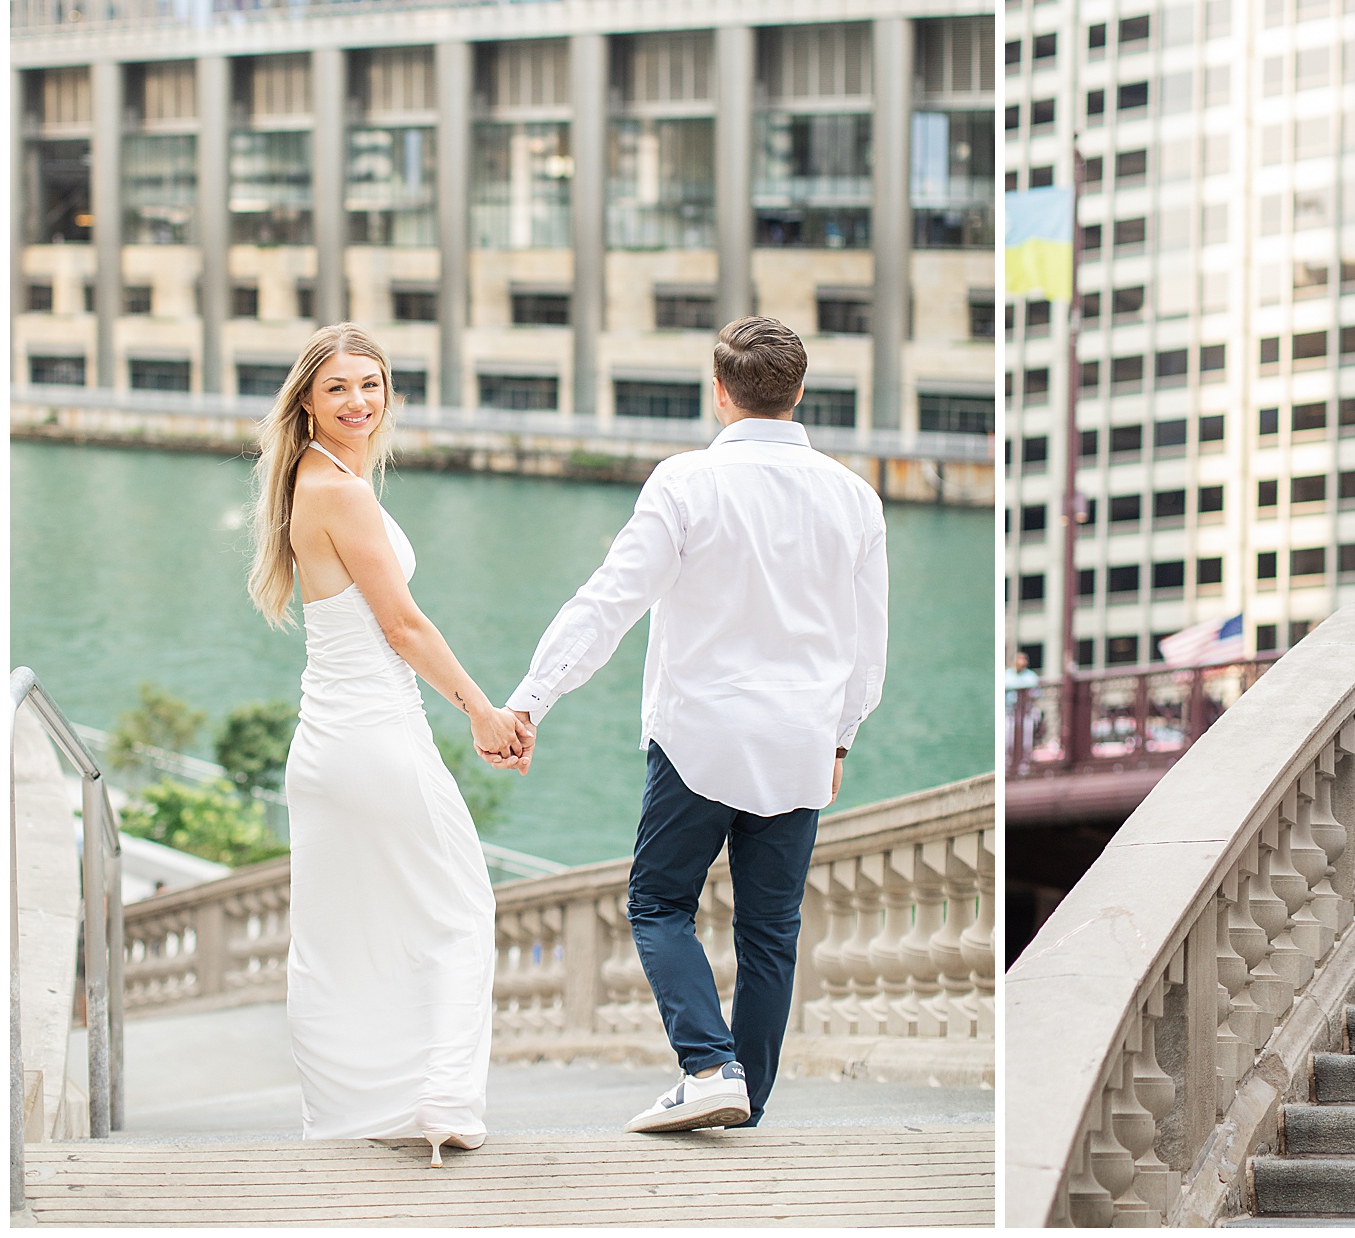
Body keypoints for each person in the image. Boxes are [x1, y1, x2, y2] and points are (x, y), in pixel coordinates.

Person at [503, 317, 889, 1133]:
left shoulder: (685, 484)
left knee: (657, 903)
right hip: (798, 745)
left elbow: (608, 603)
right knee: (770, 933)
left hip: (698, 739)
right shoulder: (854, 497)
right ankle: (743, 1101)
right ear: (800, 392)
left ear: (720, 392)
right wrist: (843, 736)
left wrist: (531, 699)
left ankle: (710, 1066)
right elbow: (867, 643)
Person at [247, 324, 530, 1167]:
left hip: (333, 746)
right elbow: (402, 626)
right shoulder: (340, 491)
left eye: (372, 385)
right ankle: (440, 1099)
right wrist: (482, 710)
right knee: (459, 907)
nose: (360, 401)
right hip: (373, 737)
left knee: (349, 935)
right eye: (339, 388)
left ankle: (356, 1110)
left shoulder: (313, 478)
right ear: (307, 400)